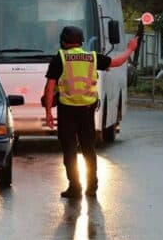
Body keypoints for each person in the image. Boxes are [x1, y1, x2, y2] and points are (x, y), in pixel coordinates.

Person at [44, 26, 140, 198]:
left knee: (70, 151)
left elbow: (50, 87)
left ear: (64, 40)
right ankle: (92, 186)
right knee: (89, 149)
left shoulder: (60, 58)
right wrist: (130, 48)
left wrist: (48, 113)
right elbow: (117, 62)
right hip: (87, 112)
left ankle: (75, 187)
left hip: (67, 111)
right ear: (81, 41)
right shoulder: (92, 57)